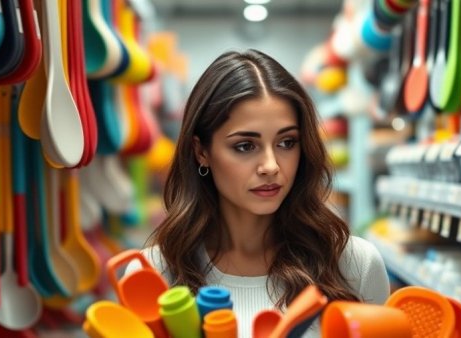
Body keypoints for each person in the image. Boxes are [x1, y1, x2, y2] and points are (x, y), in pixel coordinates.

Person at [126, 49, 389, 337]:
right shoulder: (154, 273)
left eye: (287, 142)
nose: (271, 166)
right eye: (245, 146)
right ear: (201, 152)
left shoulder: (355, 264)